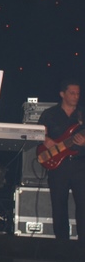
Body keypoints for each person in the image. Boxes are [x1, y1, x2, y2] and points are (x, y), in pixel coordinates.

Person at [38, 79, 85, 244]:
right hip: (59, 167)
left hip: (80, 165)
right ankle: (62, 246)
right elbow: (37, 133)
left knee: (83, 207)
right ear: (62, 94)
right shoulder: (50, 114)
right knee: (59, 206)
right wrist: (47, 140)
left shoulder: (82, 113)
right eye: (72, 93)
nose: (76, 96)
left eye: (78, 93)